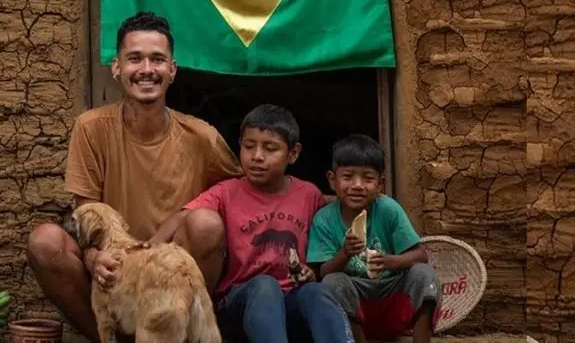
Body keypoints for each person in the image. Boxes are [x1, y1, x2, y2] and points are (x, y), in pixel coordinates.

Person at [25, 11, 242, 342]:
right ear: (116, 68)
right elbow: (87, 218)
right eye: (134, 59)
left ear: (172, 70)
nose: (146, 70)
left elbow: (240, 194)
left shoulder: (202, 137)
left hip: (171, 279)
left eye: (157, 60)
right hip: (114, 272)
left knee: (207, 225)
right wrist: (93, 256)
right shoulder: (92, 128)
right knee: (45, 242)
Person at [180, 104, 355, 343]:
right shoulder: (226, 192)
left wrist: (311, 273)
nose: (257, 156)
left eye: (270, 148)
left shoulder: (309, 195)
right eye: (249, 146)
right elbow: (183, 216)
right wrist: (138, 251)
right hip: (238, 303)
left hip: (291, 301)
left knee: (317, 292)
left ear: (293, 154)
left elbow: (321, 248)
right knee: (265, 286)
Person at [306, 134, 442, 343]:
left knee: (424, 274)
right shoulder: (324, 219)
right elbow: (322, 273)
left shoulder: (388, 209)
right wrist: (344, 254)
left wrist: (390, 261)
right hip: (355, 309)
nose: (358, 185)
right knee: (333, 282)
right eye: (348, 177)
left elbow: (420, 255)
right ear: (333, 180)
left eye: (368, 178)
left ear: (380, 184)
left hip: (393, 301)